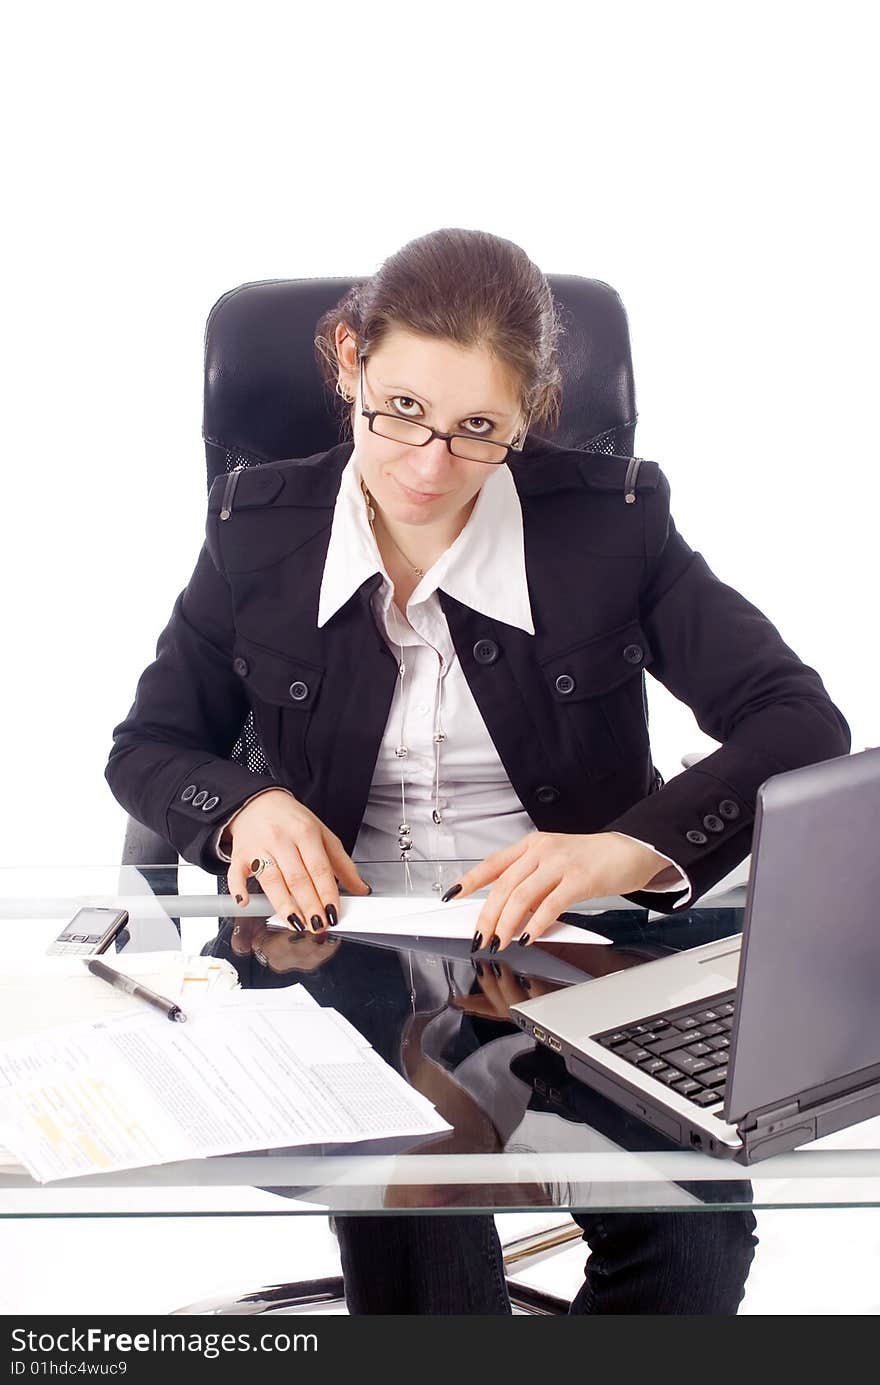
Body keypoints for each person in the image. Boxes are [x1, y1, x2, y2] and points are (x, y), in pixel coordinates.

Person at [105, 227, 850, 1313]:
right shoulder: (258, 531)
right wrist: (247, 807)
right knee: (417, 1200)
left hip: (562, 944)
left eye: (475, 430)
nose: (425, 463)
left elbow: (795, 718)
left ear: (529, 415)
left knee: (689, 1238)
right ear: (349, 359)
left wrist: (624, 849)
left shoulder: (611, 522)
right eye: (398, 408)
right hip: (331, 943)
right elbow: (148, 744)